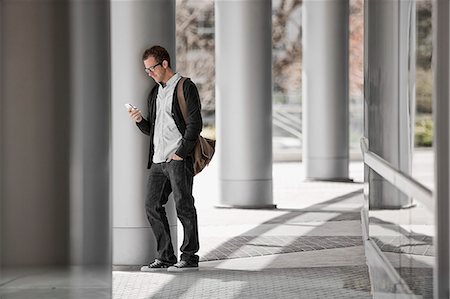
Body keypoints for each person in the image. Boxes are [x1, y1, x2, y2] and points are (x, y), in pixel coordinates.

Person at [127, 45, 202, 272]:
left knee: (184, 206)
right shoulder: (155, 92)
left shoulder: (185, 87)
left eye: (151, 68)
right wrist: (140, 120)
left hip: (178, 159)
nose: (149, 73)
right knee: (152, 206)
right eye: (146, 70)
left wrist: (180, 153)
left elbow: (195, 125)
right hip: (158, 161)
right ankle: (165, 257)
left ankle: (189, 256)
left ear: (165, 63)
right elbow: (154, 130)